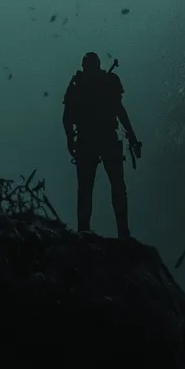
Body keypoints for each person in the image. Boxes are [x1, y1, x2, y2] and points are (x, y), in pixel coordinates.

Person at [62, 52, 141, 239]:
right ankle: (123, 231)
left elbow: (67, 117)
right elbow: (120, 111)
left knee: (86, 189)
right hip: (106, 139)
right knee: (117, 186)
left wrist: (69, 140)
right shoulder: (108, 80)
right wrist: (132, 136)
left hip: (86, 141)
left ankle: (83, 230)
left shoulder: (77, 84)